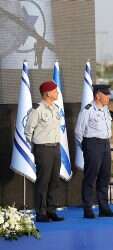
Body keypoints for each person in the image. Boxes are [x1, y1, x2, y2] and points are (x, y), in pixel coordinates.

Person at [75, 84, 113, 219]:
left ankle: (104, 208)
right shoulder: (88, 110)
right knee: (91, 177)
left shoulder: (105, 110)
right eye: (106, 94)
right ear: (98, 95)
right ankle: (88, 208)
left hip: (105, 144)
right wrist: (86, 146)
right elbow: (78, 131)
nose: (108, 96)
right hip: (92, 143)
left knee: (105, 177)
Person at [24, 80, 64, 222]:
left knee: (54, 181)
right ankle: (41, 213)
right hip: (43, 149)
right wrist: (35, 147)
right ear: (47, 93)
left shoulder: (55, 108)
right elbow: (28, 130)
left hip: (56, 148)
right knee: (43, 182)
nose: (57, 93)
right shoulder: (37, 109)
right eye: (55, 91)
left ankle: (51, 210)